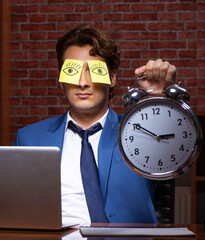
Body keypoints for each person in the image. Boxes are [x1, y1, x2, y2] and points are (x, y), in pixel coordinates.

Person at [15, 24, 176, 226]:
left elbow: (177, 147)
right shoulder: (29, 138)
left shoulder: (143, 132)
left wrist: (159, 99)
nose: (82, 82)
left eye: (94, 71)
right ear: (61, 80)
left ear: (112, 78)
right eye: (72, 71)